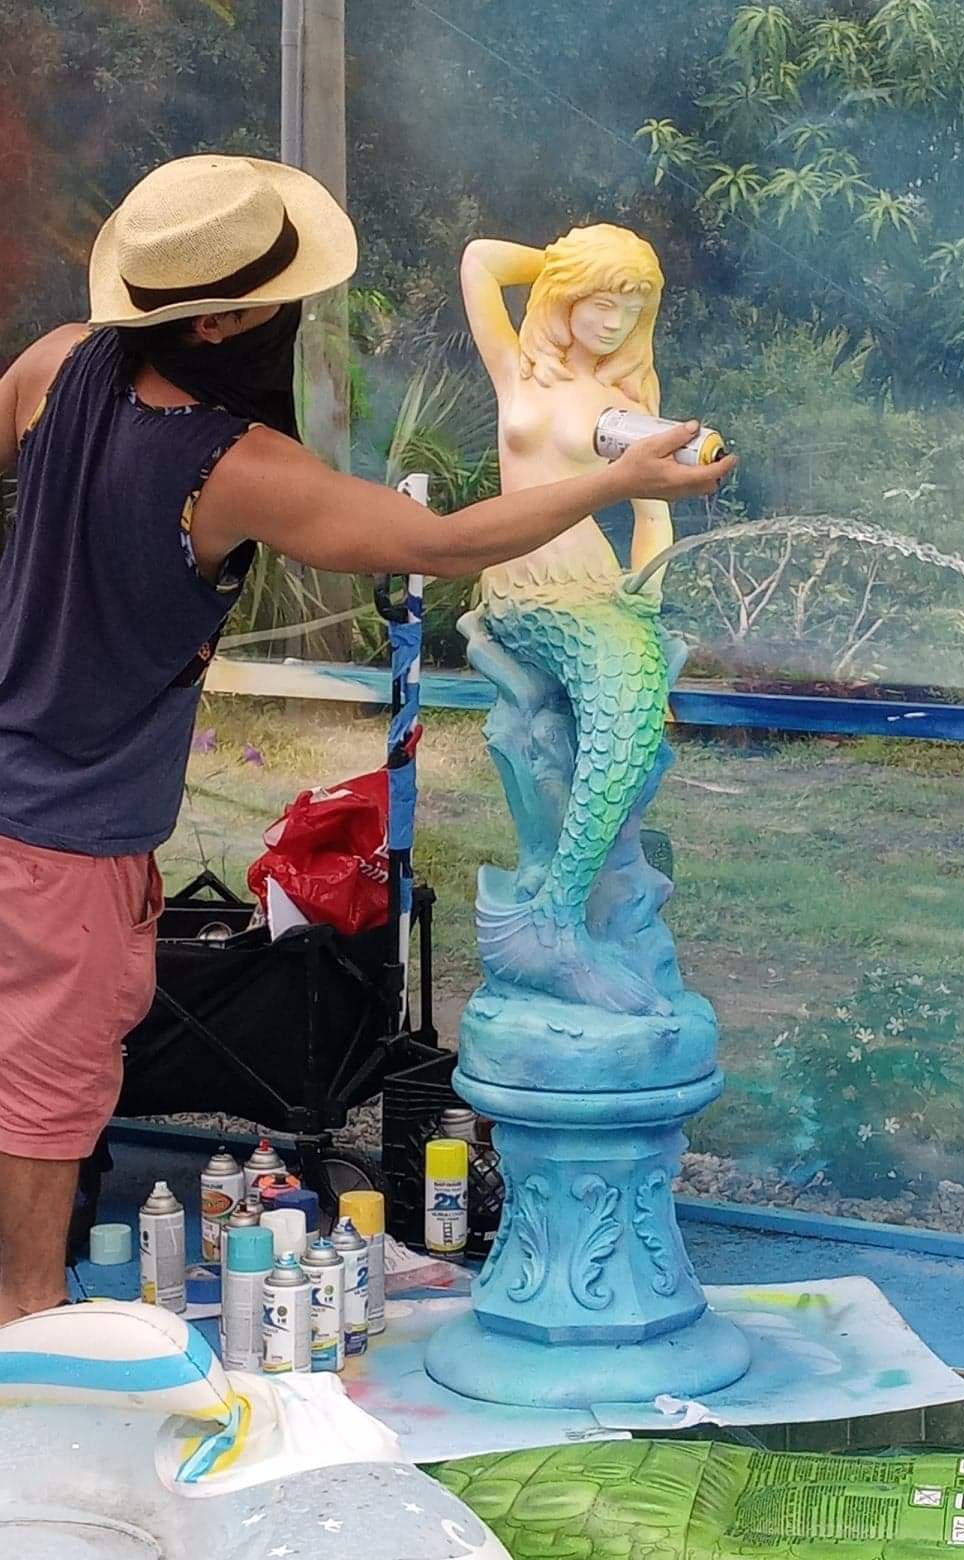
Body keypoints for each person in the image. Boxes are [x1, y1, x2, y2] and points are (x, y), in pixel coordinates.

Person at [0, 155, 735, 1324]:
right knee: (40, 1110)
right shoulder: (230, 469)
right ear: (231, 319)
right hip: (60, 845)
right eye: (283, 300)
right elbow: (439, 544)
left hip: (28, 805)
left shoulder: (51, 369)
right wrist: (624, 479)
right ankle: (28, 1358)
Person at [458, 225, 688, 1014]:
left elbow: (655, 517)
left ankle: (565, 912)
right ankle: (552, 928)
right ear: (563, 298)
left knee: (630, 710)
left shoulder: (629, 407)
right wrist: (559, 264)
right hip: (527, 585)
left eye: (635, 304)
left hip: (597, 587)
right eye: (602, 299)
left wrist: (644, 603)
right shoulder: (518, 368)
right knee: (620, 700)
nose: (617, 321)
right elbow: (481, 262)